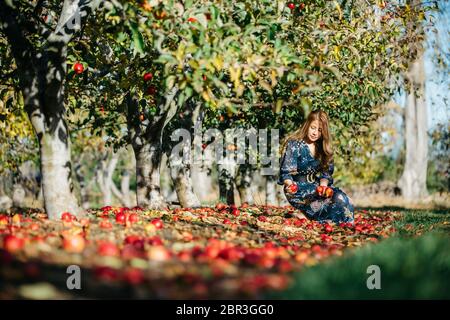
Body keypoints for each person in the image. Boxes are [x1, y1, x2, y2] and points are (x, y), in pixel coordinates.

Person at [277, 109, 354, 224]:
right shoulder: (294, 144)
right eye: (313, 128)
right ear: (307, 125)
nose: (315, 133)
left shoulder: (322, 147)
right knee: (326, 203)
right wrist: (289, 184)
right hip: (297, 189)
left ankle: (307, 217)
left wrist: (323, 187)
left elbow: (326, 172)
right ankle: (311, 217)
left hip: (316, 185)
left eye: (319, 130)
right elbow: (286, 172)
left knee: (340, 198)